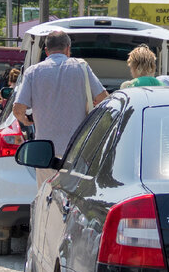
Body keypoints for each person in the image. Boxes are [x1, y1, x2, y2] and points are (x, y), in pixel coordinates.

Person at [12, 29, 108, 180]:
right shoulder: (81, 67)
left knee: (46, 197)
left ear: (46, 51)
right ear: (68, 48)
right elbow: (104, 98)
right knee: (72, 198)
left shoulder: (32, 72)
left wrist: (27, 120)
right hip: (77, 151)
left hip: (45, 153)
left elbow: (18, 110)